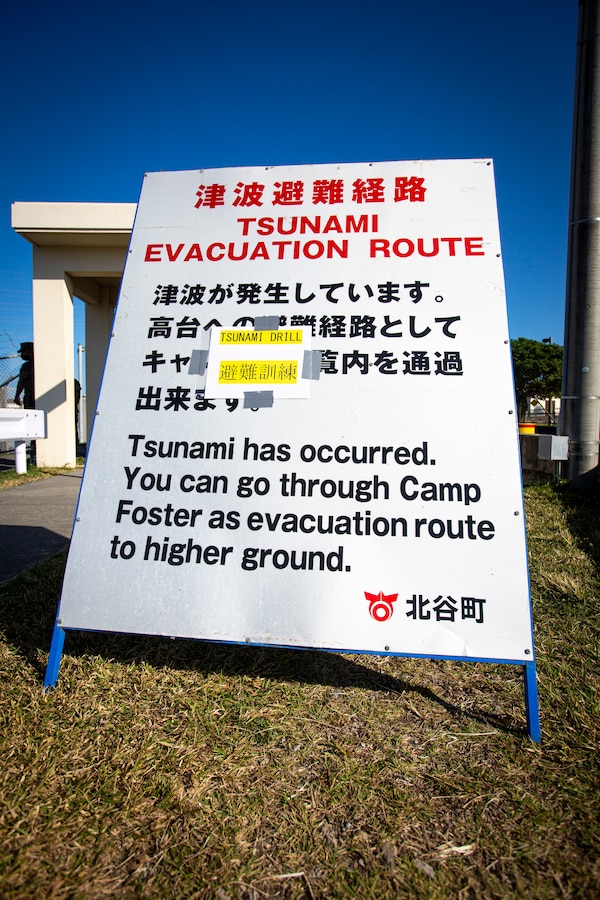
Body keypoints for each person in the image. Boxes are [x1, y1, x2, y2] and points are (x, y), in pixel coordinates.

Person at [14, 342, 34, 408]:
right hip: (29, 397)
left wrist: (17, 396)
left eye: (24, 352)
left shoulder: (41, 364)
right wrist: (17, 396)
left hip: (38, 395)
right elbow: (21, 382)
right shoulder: (26, 366)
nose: (23, 354)